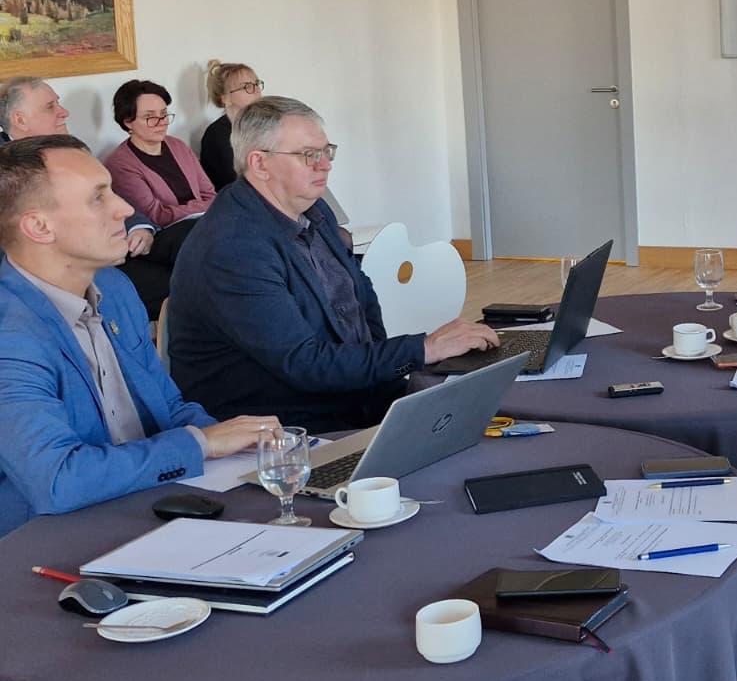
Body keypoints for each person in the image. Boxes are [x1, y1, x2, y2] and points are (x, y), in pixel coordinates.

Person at [0, 135, 281, 538]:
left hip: (150, 504)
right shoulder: (10, 330)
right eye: (99, 198)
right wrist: (201, 444)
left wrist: (245, 445)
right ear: (39, 226)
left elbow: (168, 409)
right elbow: (58, 480)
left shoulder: (113, 288)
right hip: (52, 539)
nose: (125, 208)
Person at [166, 96, 499, 433]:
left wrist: (389, 374)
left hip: (351, 397)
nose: (324, 165)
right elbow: (304, 364)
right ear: (260, 163)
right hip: (285, 429)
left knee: (492, 406)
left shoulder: (314, 211)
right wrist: (422, 350)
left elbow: (361, 300)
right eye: (309, 154)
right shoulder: (233, 248)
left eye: (327, 152)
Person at [0, 76, 169, 320]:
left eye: (58, 103)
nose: (64, 112)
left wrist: (139, 226)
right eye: (50, 107)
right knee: (172, 284)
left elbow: (108, 194)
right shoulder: (8, 170)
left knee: (185, 263)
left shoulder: (67, 150)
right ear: (20, 119)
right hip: (67, 272)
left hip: (114, 249)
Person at [103, 79, 217, 232]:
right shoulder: (120, 165)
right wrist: (203, 207)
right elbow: (156, 216)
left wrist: (202, 208)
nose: (161, 122)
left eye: (163, 114)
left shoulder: (178, 146)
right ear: (128, 122)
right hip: (172, 234)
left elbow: (209, 194)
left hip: (206, 222)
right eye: (150, 117)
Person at [199, 61, 263, 191]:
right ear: (225, 98)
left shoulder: (264, 125)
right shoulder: (216, 135)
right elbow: (235, 181)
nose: (256, 90)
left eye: (256, 84)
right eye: (247, 86)